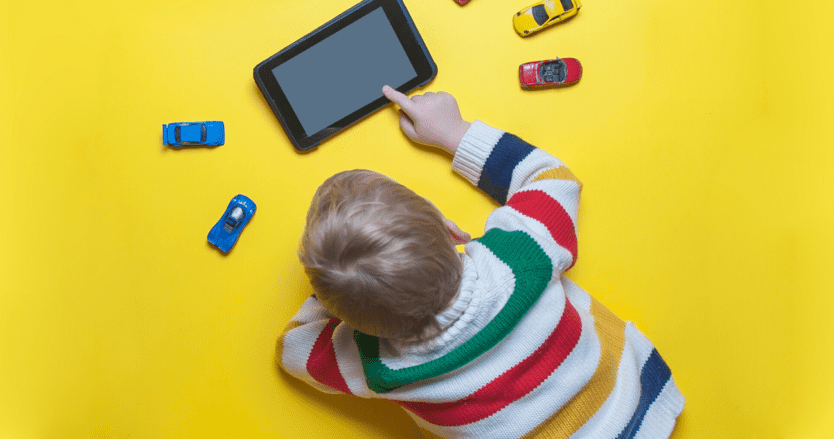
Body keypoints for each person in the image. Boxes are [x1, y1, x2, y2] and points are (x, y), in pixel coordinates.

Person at [276, 85, 684, 439]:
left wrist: (330, 296)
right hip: (640, 405)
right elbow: (552, 178)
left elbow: (293, 351)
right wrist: (456, 134)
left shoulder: (375, 364)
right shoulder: (520, 257)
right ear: (452, 231)